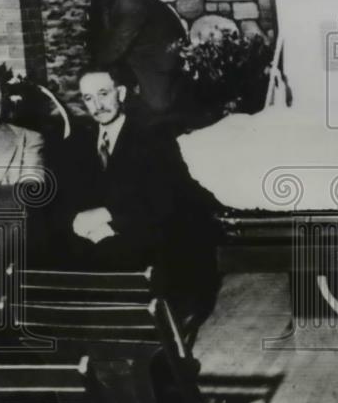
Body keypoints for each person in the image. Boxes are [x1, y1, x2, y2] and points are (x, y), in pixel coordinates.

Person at [55, 67, 221, 322]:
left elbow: (167, 200)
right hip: (95, 240)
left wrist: (110, 216)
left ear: (120, 93)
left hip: (142, 236)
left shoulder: (154, 138)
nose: (97, 105)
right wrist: (79, 222)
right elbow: (66, 195)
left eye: (103, 94)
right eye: (89, 98)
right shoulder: (76, 143)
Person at [93, 0, 192, 129]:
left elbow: (118, 45)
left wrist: (95, 67)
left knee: (159, 104)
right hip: (139, 44)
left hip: (161, 47)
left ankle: (177, 122)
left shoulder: (132, 5)